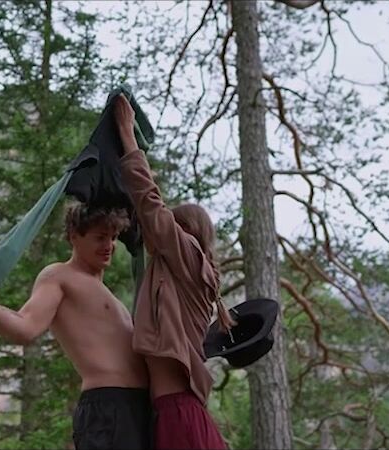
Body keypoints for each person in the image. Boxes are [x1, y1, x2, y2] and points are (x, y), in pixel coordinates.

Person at [0, 203, 151, 450]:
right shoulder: (59, 275)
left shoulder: (106, 294)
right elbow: (26, 327)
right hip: (107, 408)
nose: (109, 245)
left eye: (113, 237)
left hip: (139, 408)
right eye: (100, 237)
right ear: (74, 236)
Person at [114, 94, 236, 450]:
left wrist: (127, 134)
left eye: (170, 227)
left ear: (186, 233)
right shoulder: (184, 273)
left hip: (179, 416)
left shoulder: (189, 256)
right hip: (175, 414)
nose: (156, 236)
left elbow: (151, 204)